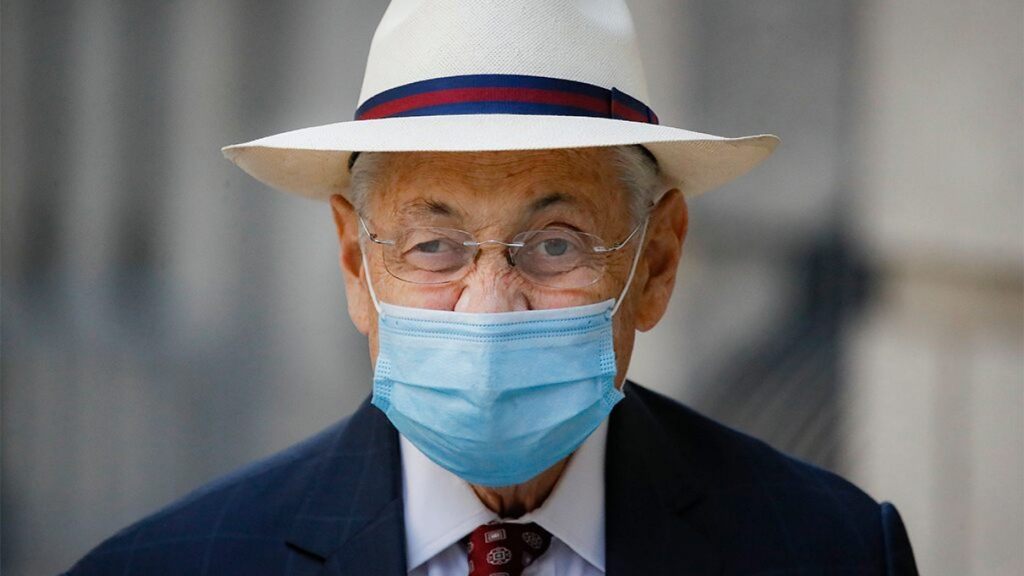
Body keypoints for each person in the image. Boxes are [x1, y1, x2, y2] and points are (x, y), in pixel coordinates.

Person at [64, 1, 919, 574]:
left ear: (656, 262)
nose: (488, 306)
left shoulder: (828, 551)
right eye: (433, 245)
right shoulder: (175, 564)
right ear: (358, 266)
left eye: (554, 243)